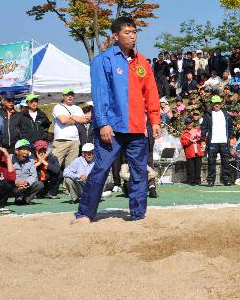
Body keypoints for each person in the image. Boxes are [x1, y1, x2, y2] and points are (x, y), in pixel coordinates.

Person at [74, 16, 161, 223]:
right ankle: (85, 213)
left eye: (134, 32)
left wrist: (155, 120)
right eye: (127, 33)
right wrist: (103, 122)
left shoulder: (142, 62)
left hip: (137, 127)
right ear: (116, 35)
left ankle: (138, 213)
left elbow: (151, 92)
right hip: (111, 127)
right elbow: (100, 93)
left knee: (139, 171)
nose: (132, 37)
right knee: (101, 169)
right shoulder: (103, 60)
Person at [201, 95, 236, 186]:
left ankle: (227, 179)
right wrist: (203, 139)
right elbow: (204, 128)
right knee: (211, 162)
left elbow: (230, 126)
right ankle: (211, 180)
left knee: (226, 162)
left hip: (224, 141)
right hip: (212, 141)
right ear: (212, 104)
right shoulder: (208, 114)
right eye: (215, 103)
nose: (217, 105)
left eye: (218, 103)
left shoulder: (226, 114)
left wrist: (231, 137)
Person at [51, 88, 88, 171]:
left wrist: (71, 117)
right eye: (68, 95)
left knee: (71, 168)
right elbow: (63, 121)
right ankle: (53, 184)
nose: (70, 97)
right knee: (55, 166)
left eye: (72, 95)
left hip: (74, 141)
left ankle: (67, 184)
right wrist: (76, 119)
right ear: (63, 96)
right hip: (61, 141)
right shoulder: (58, 107)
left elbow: (83, 120)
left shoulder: (77, 108)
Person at [10, 139, 44, 205]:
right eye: (24, 149)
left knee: (39, 184)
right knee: (4, 184)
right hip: (13, 186)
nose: (27, 152)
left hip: (25, 186)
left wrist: (27, 183)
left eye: (28, 149)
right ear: (16, 151)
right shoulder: (9, 159)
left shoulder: (31, 160)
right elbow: (3, 175)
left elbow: (34, 175)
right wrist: (15, 182)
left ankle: (25, 200)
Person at [179, 116, 204, 185]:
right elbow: (183, 143)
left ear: (192, 123)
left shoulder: (198, 130)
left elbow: (204, 138)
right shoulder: (184, 132)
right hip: (190, 152)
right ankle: (191, 181)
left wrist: (200, 139)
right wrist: (189, 140)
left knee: (198, 167)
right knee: (191, 168)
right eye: (187, 123)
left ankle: (197, 180)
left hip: (198, 151)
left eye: (190, 123)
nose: (189, 124)